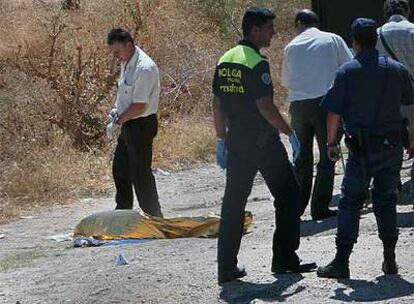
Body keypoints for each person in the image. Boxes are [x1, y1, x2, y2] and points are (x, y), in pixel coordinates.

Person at [212, 7, 316, 285]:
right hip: (263, 142)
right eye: (269, 28)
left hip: (237, 142)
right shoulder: (256, 62)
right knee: (289, 194)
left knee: (233, 203)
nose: (273, 33)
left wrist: (221, 138)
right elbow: (265, 106)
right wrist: (288, 132)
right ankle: (284, 259)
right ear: (255, 30)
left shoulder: (225, 60)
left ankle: (226, 268)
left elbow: (217, 104)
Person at [317, 18, 414, 279]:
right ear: (375, 39)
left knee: (351, 201)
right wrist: (412, 137)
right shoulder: (397, 70)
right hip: (392, 145)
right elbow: (410, 104)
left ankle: (342, 261)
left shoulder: (347, 72)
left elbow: (334, 112)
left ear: (355, 41)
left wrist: (331, 143)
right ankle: (390, 259)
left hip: (361, 148)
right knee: (386, 200)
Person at [282, 9, 354, 220]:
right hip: (325, 105)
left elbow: (286, 81)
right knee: (327, 155)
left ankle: (296, 208)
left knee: (301, 159)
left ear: (299, 25)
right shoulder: (332, 39)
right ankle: (320, 207)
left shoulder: (290, 46)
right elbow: (348, 67)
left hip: (298, 107)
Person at [106, 28, 163, 217]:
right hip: (129, 122)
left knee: (140, 174)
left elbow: (139, 105)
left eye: (117, 51)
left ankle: (155, 216)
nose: (115, 56)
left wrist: (119, 120)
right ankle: (123, 213)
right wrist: (116, 112)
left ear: (128, 45)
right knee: (120, 169)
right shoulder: (127, 61)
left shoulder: (144, 68)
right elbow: (124, 93)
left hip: (141, 124)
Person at [377, 0, 414, 192]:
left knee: (391, 140)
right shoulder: (413, 31)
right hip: (413, 94)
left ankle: (392, 182)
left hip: (387, 98)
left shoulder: (376, 34)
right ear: (407, 11)